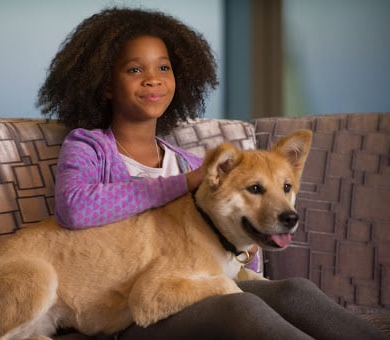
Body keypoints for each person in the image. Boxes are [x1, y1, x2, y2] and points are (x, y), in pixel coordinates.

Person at [37, 7, 387, 339]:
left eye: (163, 68)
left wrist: (244, 244)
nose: (152, 80)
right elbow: (74, 208)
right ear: (104, 84)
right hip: (129, 308)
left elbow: (221, 239)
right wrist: (181, 185)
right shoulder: (90, 146)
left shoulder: (188, 162)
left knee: (297, 291)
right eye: (134, 70)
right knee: (242, 308)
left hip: (194, 284)